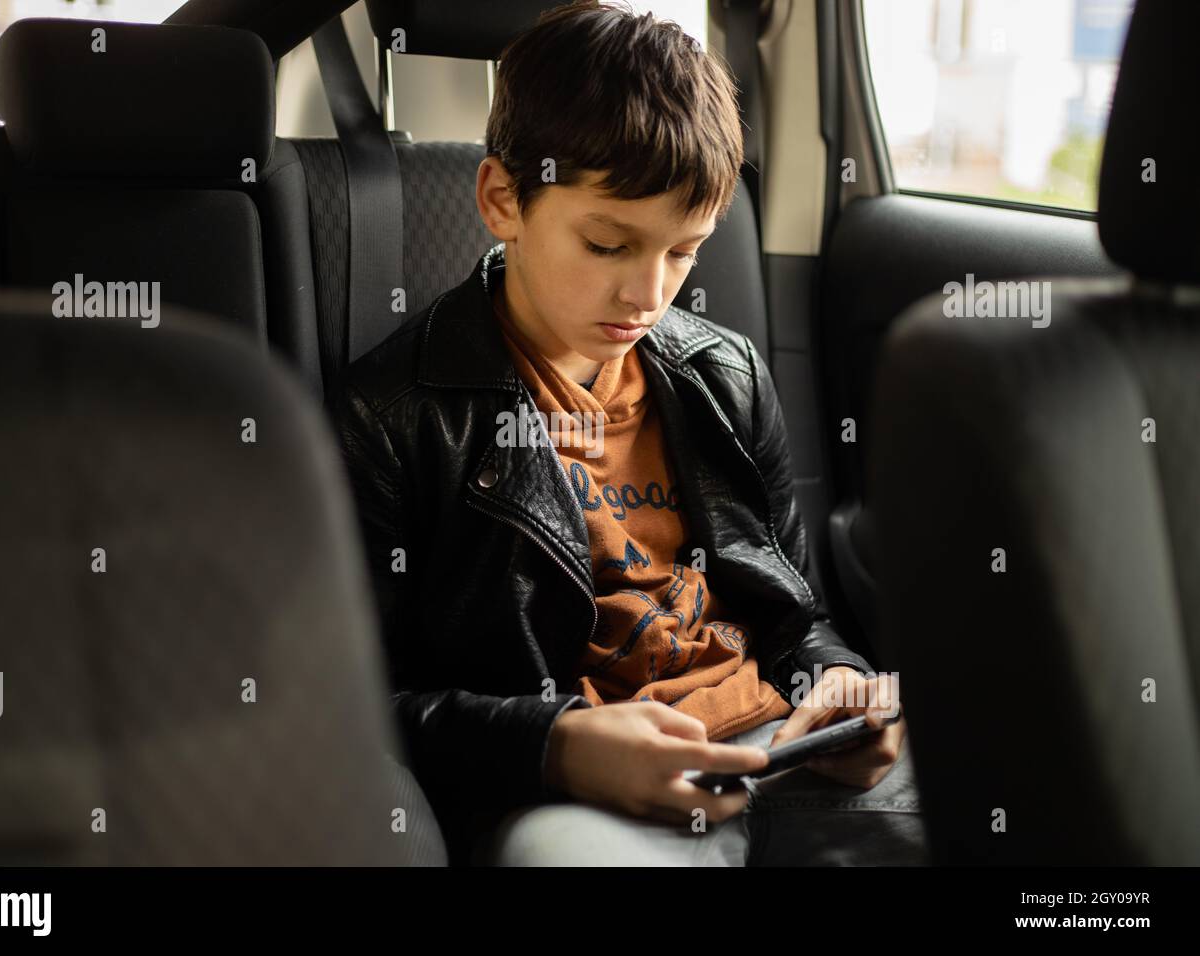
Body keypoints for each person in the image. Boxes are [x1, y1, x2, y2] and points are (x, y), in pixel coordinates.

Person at [332, 0, 929, 866]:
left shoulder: (724, 375)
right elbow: (362, 707)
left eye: (684, 252)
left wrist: (838, 687)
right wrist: (557, 743)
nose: (649, 297)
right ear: (503, 199)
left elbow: (795, 615)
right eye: (608, 245)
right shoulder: (393, 417)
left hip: (778, 751)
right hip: (591, 790)